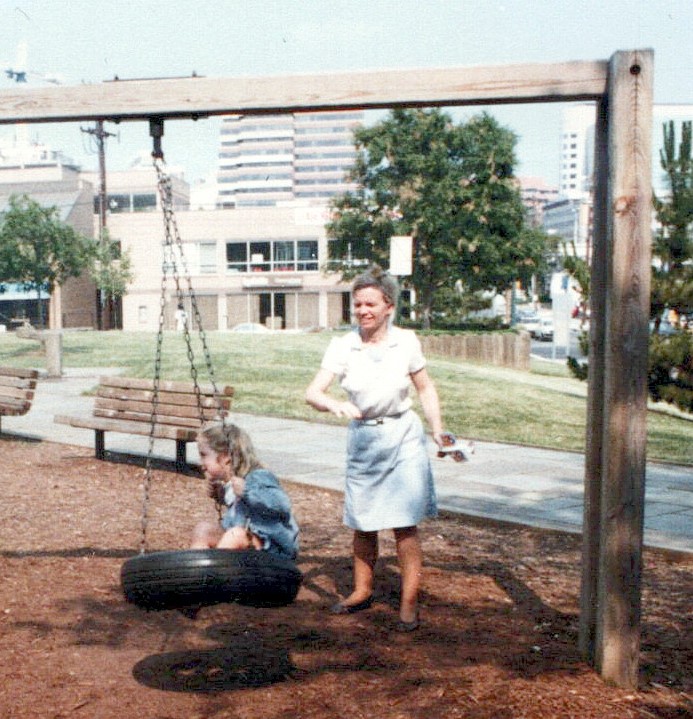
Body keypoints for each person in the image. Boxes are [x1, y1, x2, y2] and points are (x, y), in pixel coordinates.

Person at [305, 265, 446, 632]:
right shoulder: (343, 345)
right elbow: (313, 392)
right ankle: (361, 591)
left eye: (370, 304)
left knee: (404, 524)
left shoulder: (406, 342)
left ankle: (408, 603)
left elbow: (425, 389)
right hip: (366, 439)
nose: (363, 311)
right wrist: (333, 404)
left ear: (388, 306)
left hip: (403, 437)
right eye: (357, 305)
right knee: (363, 522)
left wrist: (439, 431)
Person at [190, 422, 299, 561]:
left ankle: (214, 577)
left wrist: (248, 492)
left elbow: (281, 504)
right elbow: (242, 508)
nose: (201, 462)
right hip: (247, 544)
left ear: (225, 458)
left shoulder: (258, 476)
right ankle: (197, 573)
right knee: (203, 529)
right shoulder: (234, 483)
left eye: (204, 455)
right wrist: (222, 496)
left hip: (272, 552)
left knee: (235, 535)